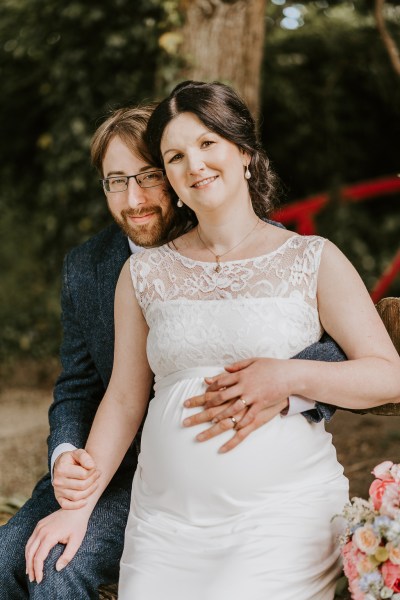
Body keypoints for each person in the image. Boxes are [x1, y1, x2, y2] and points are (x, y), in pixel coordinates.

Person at [24, 81, 400, 599]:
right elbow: (125, 398)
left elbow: (388, 373)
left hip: (280, 518)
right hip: (165, 526)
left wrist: (288, 375)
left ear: (244, 152)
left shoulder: (313, 258)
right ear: (170, 179)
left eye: (207, 144)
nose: (194, 164)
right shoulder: (144, 274)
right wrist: (78, 508)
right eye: (175, 156)